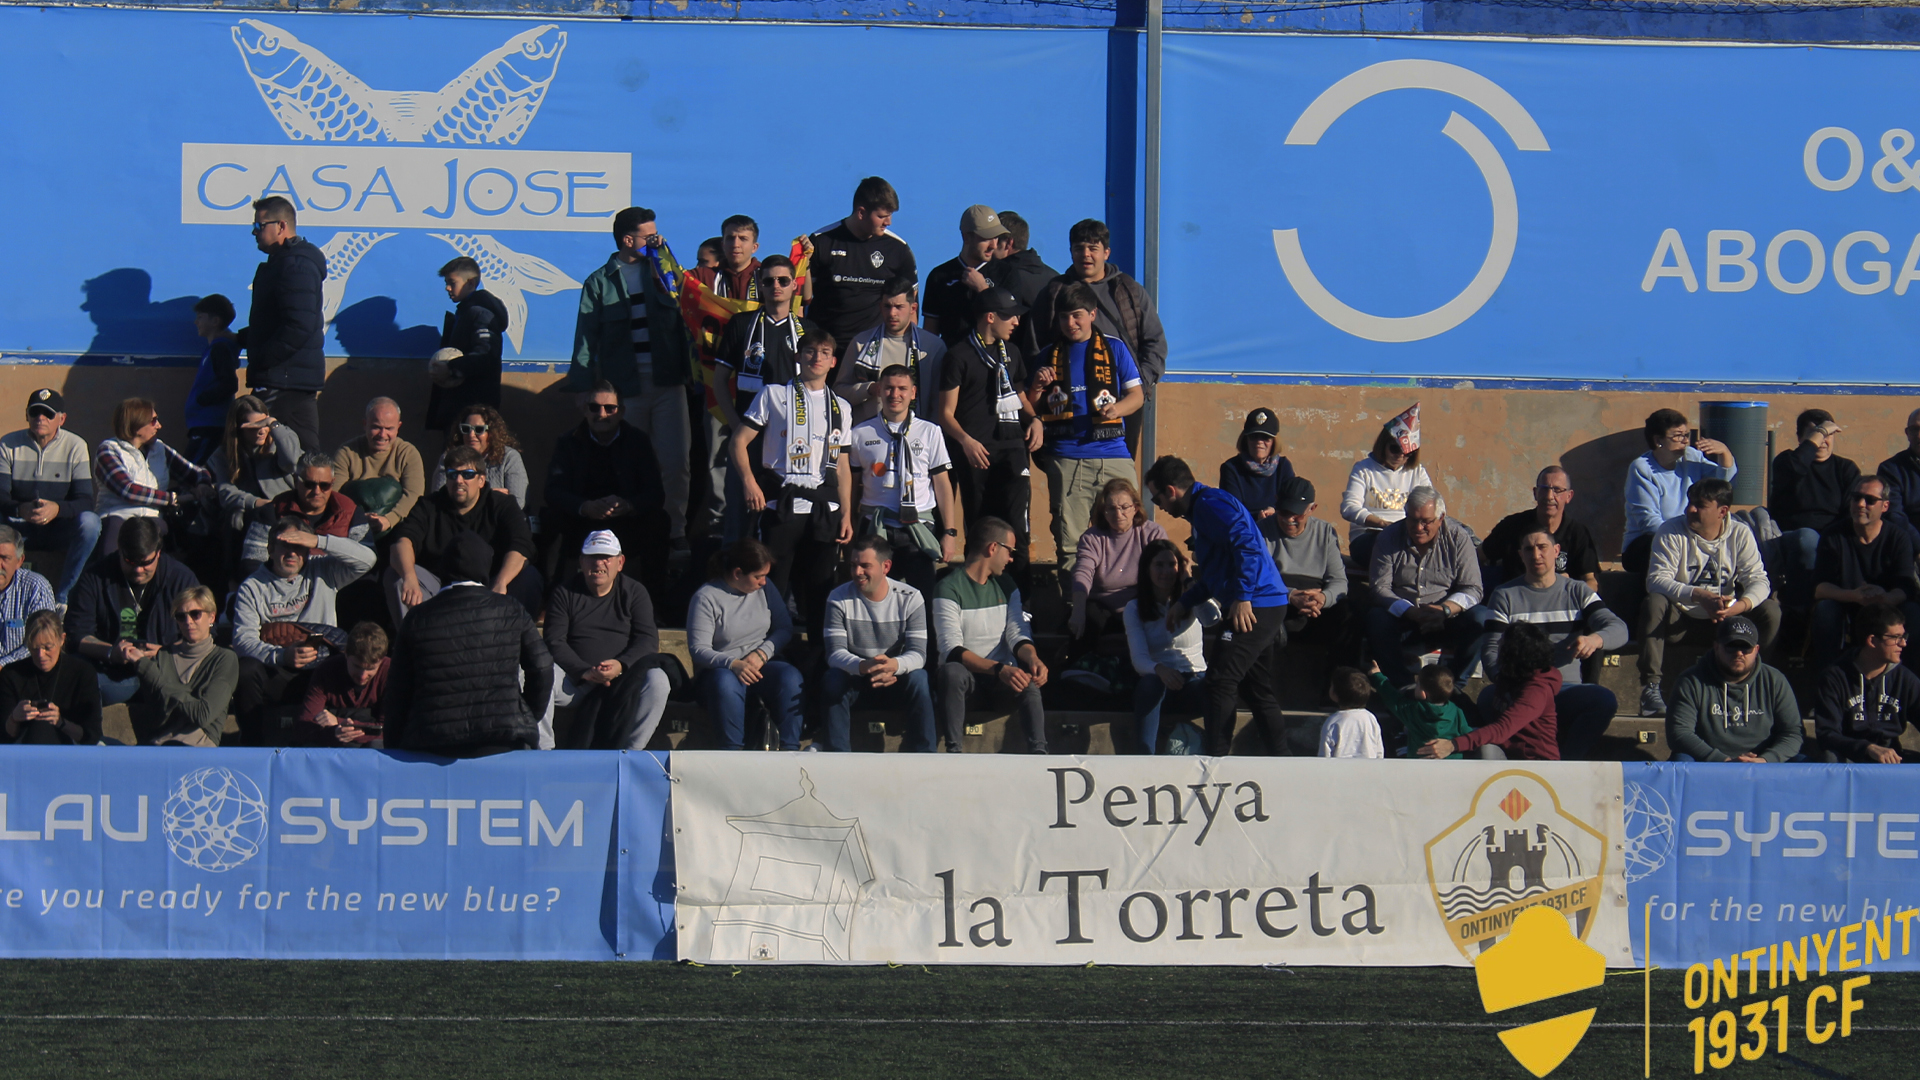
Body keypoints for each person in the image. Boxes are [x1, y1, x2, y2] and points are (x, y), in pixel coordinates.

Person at [568, 206, 697, 559]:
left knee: (675, 461)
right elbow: (585, 337)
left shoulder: (662, 271)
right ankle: (625, 528)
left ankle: (675, 531)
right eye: (648, 236)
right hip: (624, 389)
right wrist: (582, 386)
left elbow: (688, 301)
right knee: (626, 462)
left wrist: (663, 254)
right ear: (628, 240)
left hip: (668, 382)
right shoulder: (599, 282)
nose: (655, 240)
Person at [1145, 456, 1290, 757]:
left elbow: (1249, 545)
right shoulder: (1202, 510)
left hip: (1256, 604)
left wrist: (1244, 597)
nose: (1157, 505)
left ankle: (1217, 762)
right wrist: (1185, 601)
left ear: (1171, 490)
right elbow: (1217, 573)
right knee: (1255, 689)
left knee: (1220, 682)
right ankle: (1282, 760)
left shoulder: (1210, 505)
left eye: (1156, 497)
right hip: (1261, 601)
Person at [731, 331, 853, 649]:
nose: (816, 358)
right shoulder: (773, 394)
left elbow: (842, 465)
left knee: (819, 592)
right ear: (798, 357)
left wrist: (847, 512)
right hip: (781, 503)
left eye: (824, 352)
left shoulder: (841, 407)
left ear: (833, 361)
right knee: (771, 587)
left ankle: (816, 670)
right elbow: (739, 441)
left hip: (824, 509)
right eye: (810, 351)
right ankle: (764, 661)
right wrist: (749, 482)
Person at [383, 531, 553, 757]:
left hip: (430, 744)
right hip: (502, 741)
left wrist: (394, 749)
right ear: (485, 566)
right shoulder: (510, 609)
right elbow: (542, 668)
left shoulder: (417, 618)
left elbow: (398, 691)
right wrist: (525, 715)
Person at [1029, 282, 1145, 577]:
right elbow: (1031, 407)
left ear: (1092, 314)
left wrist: (1116, 409)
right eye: (1065, 317)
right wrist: (1038, 388)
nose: (1071, 323)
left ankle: (1129, 606)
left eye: (1077, 315)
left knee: (1132, 535)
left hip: (1114, 455)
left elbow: (1137, 396)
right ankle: (1075, 610)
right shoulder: (1047, 355)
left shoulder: (1115, 348)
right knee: (1071, 544)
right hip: (1067, 459)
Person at [1482, 527, 1627, 760]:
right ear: (1521, 555)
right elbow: (1490, 649)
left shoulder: (1577, 591)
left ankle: (1567, 764)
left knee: (1603, 700)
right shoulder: (1504, 595)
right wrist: (1506, 680)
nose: (1536, 555)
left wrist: (1595, 639)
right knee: (1488, 697)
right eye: (1529, 549)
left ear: (1556, 551)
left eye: (1542, 548)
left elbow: (1619, 629)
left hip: (1565, 688)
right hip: (1519, 689)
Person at [1639, 478, 1779, 716]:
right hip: (1680, 621)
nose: (1690, 510)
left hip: (1726, 622)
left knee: (1770, 611)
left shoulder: (1740, 534)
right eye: (1690, 503)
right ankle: (1650, 688)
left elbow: (1759, 579)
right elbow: (1656, 580)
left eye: (1700, 505)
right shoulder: (1671, 530)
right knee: (1654, 602)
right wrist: (1698, 595)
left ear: (1722, 511)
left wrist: (1738, 607)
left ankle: (1758, 682)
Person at [1025, 219, 1166, 454]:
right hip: (1066, 405)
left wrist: (1139, 382)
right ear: (1071, 252)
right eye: (1079, 248)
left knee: (1119, 472)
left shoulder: (1129, 290)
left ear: (1106, 252)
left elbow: (1154, 342)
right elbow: (1033, 346)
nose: (1086, 255)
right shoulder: (1053, 292)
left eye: (1093, 248)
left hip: (1121, 401)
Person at [232, 517, 377, 745]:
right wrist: (281, 655)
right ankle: (253, 742)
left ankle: (345, 739)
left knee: (352, 664)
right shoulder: (252, 586)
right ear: (270, 549)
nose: (292, 553)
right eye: (285, 545)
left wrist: (319, 540)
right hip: (278, 668)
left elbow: (368, 560)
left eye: (299, 546)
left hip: (322, 670)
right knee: (246, 670)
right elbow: (242, 640)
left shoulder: (324, 569)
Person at [936, 287, 1042, 581]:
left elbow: (1020, 397)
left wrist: (1035, 420)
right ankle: (979, 596)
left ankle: (1024, 608)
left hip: (1012, 450)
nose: (1016, 322)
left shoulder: (1013, 352)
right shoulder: (958, 355)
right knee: (981, 530)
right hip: (976, 454)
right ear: (990, 317)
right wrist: (966, 441)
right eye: (1010, 316)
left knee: (1017, 528)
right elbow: (945, 414)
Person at [711, 257, 813, 544]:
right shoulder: (741, 324)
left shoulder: (808, 330)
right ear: (759, 285)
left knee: (784, 520)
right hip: (750, 440)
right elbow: (719, 380)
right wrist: (735, 424)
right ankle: (732, 581)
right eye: (768, 281)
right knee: (740, 517)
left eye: (783, 280)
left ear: (795, 285)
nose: (776, 286)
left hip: (793, 441)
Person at [542, 531, 672, 752]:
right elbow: (554, 641)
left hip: (622, 682)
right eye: (592, 557)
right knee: (536, 674)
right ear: (582, 561)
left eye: (606, 557)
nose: (599, 563)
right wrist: (584, 671)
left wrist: (621, 665)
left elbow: (647, 640)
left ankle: (631, 753)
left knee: (658, 680)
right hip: (575, 682)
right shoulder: (564, 593)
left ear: (620, 562)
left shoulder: (635, 592)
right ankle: (543, 751)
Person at [932, 518, 1048, 754]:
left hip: (1000, 681)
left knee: (1028, 683)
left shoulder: (1007, 585)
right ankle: (953, 752)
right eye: (1010, 551)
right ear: (993, 548)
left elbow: (1018, 633)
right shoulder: (948, 588)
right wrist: (999, 669)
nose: (1012, 558)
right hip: (968, 683)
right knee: (951, 672)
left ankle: (1040, 754)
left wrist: (1033, 659)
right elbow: (951, 648)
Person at [845, 364, 961, 598]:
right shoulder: (860, 433)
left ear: (913, 392)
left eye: (902, 389)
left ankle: (924, 636)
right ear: (879, 390)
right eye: (888, 388)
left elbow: (942, 484)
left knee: (923, 597)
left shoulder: (930, 431)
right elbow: (852, 484)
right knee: (876, 596)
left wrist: (949, 532)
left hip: (918, 527)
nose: (894, 395)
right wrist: (849, 520)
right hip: (877, 526)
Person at [391, 445, 540, 622]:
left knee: (530, 577)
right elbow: (402, 540)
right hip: (439, 588)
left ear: (481, 480)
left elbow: (522, 545)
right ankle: (418, 643)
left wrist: (501, 582)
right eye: (452, 474)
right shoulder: (428, 506)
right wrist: (409, 577)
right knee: (398, 575)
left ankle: (512, 643)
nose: (459, 480)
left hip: (491, 585)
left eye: (468, 474)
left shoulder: (502, 504)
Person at [544, 383, 667, 598]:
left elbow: (655, 493)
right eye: (594, 407)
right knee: (549, 519)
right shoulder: (568, 442)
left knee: (659, 520)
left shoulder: (638, 441)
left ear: (621, 411)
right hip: (581, 521)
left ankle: (654, 603)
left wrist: (628, 506)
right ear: (585, 410)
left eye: (610, 408)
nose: (602, 414)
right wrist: (584, 507)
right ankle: (550, 600)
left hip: (624, 521)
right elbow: (553, 491)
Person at [65, 517, 197, 706]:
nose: (138, 570)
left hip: (166, 669)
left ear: (158, 553)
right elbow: (77, 634)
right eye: (129, 561)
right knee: (76, 678)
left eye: (145, 563)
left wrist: (166, 652)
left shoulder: (181, 579)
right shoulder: (95, 577)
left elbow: (203, 635)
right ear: (119, 548)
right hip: (111, 668)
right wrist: (111, 652)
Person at [687, 539, 804, 751]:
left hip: (760, 665)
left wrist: (762, 654)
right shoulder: (706, 597)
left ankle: (790, 749)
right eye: (758, 577)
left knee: (790, 677)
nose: (763, 582)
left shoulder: (766, 591)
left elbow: (784, 628)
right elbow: (699, 649)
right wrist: (733, 663)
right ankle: (733, 750)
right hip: (721, 670)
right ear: (738, 573)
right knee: (725, 683)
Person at [823, 537, 937, 753]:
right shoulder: (838, 598)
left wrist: (893, 665)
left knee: (919, 679)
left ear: (886, 567)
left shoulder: (911, 598)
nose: (857, 572)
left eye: (865, 566)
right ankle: (836, 757)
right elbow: (834, 653)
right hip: (857, 677)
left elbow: (919, 654)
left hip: (894, 677)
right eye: (853, 565)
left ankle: (925, 756)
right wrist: (865, 666)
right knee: (833, 679)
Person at [1365, 487, 1486, 689]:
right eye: (1412, 519)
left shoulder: (1458, 538)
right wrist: (1410, 612)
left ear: (1441, 518)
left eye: (1426, 522)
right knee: (1376, 618)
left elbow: (1473, 588)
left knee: (1481, 618)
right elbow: (1379, 588)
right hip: (1403, 617)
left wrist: (1445, 609)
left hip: (1445, 618)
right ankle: (1402, 687)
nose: (1418, 527)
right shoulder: (1389, 537)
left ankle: (1453, 687)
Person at [235, 196, 326, 453]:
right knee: (304, 451)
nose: (254, 232)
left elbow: (299, 325)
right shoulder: (284, 262)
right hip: (289, 375)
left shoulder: (296, 265)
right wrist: (241, 339)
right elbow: (275, 321)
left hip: (284, 377)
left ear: (281, 226)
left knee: (249, 442)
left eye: (260, 225)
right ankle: (308, 489)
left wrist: (265, 358)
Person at [0, 388, 99, 606]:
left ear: (62, 419)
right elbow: (1, 496)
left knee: (91, 523)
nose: (40, 419)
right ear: (27, 416)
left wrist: (57, 509)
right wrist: (21, 510)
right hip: (19, 528)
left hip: (59, 529)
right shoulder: (7, 445)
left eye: (48, 414)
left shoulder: (76, 446)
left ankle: (63, 599)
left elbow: (85, 501)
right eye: (35, 413)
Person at [1810, 473, 1919, 670]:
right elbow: (1820, 588)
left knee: (1912, 612)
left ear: (1885, 506)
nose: (1860, 504)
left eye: (1869, 500)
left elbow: (1906, 587)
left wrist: (1884, 599)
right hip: (1847, 603)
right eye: (1856, 497)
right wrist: (1854, 596)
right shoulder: (1833, 535)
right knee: (1825, 610)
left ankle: (1909, 682)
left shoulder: (1898, 538)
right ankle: (1829, 678)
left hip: (1887, 607)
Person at [1123, 537, 1218, 755]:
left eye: (1172, 564)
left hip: (1193, 680)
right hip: (1159, 684)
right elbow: (1139, 659)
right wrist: (1160, 669)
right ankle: (1144, 757)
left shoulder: (1190, 599)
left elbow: (1212, 618)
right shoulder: (1134, 608)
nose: (1166, 571)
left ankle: (1216, 757)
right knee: (1149, 685)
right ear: (1147, 569)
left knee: (1215, 689)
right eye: (1159, 565)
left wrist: (1188, 579)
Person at [1665, 615, 1803, 763]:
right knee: (1681, 760)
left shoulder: (1775, 680)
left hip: (1763, 764)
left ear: (1756, 649)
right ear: (1716, 647)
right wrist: (1724, 761)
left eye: (1745, 647)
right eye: (1731, 646)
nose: (1738, 653)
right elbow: (1679, 733)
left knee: (1805, 763)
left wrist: (1766, 760)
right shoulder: (1691, 681)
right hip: (1710, 764)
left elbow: (1793, 732)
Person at [804, 177, 916, 353]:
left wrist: (910, 349)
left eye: (890, 216)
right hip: (825, 351)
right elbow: (801, 301)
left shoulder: (897, 249)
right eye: (881, 216)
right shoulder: (822, 241)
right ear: (861, 212)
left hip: (876, 350)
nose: (888, 223)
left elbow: (910, 304)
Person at [1419, 621, 1560, 761]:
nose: (1498, 644)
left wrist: (1453, 745)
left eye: (1503, 643)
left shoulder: (1536, 692)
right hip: (1508, 749)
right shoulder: (1512, 676)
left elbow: (1501, 729)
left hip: (1534, 764)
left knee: (1486, 749)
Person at [93, 397, 213, 557]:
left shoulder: (160, 449)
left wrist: (202, 484)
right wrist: (172, 498)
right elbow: (128, 490)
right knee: (112, 559)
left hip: (152, 519)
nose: (159, 426)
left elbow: (196, 472)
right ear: (137, 425)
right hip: (116, 517)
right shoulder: (109, 450)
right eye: (153, 421)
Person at [1622, 408, 1737, 573]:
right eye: (1678, 436)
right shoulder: (1642, 468)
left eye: (1686, 435)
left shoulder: (1691, 457)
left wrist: (1724, 453)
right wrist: (1686, 541)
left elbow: (1720, 486)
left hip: (1693, 538)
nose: (1685, 441)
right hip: (1650, 542)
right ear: (1658, 440)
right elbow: (1648, 521)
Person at [1066, 477, 1166, 655]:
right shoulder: (1092, 538)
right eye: (1111, 508)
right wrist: (1078, 610)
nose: (1118, 514)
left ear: (1135, 508)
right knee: (1088, 618)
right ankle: (1077, 672)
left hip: (1141, 604)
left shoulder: (1152, 533)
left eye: (1124, 507)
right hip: (1104, 608)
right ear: (1103, 512)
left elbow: (1164, 569)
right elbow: (1083, 573)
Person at [128, 585, 237, 748]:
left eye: (195, 614)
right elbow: (159, 715)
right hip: (157, 744)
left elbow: (202, 714)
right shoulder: (164, 656)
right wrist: (188, 698)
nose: (188, 622)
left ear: (212, 617)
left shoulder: (224, 658)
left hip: (198, 748)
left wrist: (148, 671)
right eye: (181, 616)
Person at [1768, 409, 1859, 601]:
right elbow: (1796, 468)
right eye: (1817, 435)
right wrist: (1819, 435)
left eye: (1828, 435)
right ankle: (1801, 608)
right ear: (1801, 438)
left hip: (1833, 536)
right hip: (1792, 537)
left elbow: (1850, 512)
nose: (1823, 441)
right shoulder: (1786, 462)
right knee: (1808, 538)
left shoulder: (1846, 469)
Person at [1814, 603, 1920, 764]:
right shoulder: (1834, 677)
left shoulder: (1905, 679)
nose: (1903, 644)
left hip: (1893, 759)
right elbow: (1826, 734)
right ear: (1872, 640)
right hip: (1850, 760)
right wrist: (1867, 748)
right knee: (1830, 758)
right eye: (1896, 638)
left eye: (1903, 637)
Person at [838, 276, 946, 423]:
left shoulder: (932, 347)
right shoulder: (861, 343)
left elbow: (940, 401)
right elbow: (838, 393)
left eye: (899, 307)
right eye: (887, 306)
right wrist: (868, 389)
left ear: (912, 308)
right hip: (869, 434)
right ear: (880, 307)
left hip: (917, 436)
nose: (892, 313)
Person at [238, 452, 368, 570]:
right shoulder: (272, 511)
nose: (317, 491)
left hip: (335, 587)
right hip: (281, 588)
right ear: (296, 480)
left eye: (324, 485)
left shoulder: (351, 512)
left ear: (332, 483)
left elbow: (366, 560)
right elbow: (252, 561)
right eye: (309, 484)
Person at [1480, 465, 1602, 591]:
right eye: (1544, 489)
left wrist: (1569, 588)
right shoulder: (1512, 526)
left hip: (1561, 605)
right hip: (1515, 604)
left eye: (1557, 490)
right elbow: (1479, 556)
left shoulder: (1578, 533)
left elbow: (1592, 582)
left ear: (1569, 496)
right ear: (1535, 493)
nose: (1549, 496)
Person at [1340, 404, 1431, 568]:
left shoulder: (1417, 472)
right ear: (1384, 444)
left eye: (1407, 454)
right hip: (1369, 535)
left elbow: (1432, 504)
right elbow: (1349, 507)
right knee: (1391, 546)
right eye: (1395, 449)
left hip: (1407, 534)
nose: (1400, 457)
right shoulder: (1364, 469)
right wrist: (1383, 524)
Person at [425, 256, 508, 433]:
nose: (447, 288)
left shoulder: (481, 315)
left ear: (470, 283)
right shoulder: (464, 313)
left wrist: (451, 368)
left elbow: (486, 356)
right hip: (460, 406)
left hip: (475, 409)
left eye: (452, 283)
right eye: (446, 283)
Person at [1271, 477, 1352, 650]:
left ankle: (1340, 675)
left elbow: (1338, 581)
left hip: (1315, 602)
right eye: (1284, 512)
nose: (1289, 519)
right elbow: (1255, 580)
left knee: (1348, 616)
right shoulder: (1261, 531)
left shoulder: (1325, 532)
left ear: (1312, 509)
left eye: (1297, 514)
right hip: (1279, 599)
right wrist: (1291, 596)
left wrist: (1323, 598)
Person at [0, 610, 100, 745]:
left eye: (48, 647)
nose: (41, 655)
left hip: (68, 747)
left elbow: (90, 735)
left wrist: (60, 722)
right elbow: (5, 736)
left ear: (61, 640)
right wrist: (14, 718)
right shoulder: (12, 674)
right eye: (35, 648)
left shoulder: (82, 672)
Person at [331, 397, 425, 537]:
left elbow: (414, 495)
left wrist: (389, 520)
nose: (382, 435)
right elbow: (333, 493)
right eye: (376, 427)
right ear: (365, 424)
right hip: (351, 524)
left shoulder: (408, 453)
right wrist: (357, 518)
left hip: (395, 527)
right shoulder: (347, 452)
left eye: (389, 429)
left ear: (398, 427)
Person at [209, 395, 302, 535]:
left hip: (284, 508)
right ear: (239, 427)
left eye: (264, 424)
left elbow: (292, 462)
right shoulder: (223, 453)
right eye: (254, 426)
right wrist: (257, 503)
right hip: (250, 510)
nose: (262, 430)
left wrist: (274, 424)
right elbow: (225, 491)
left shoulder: (281, 440)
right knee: (234, 520)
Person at [293, 621, 389, 749]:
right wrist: (334, 733)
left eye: (371, 669)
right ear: (346, 655)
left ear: (381, 661)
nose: (362, 676)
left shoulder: (390, 672)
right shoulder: (326, 670)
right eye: (357, 666)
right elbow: (304, 726)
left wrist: (341, 723)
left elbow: (391, 730)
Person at [923, 205, 1010, 345]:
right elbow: (930, 332)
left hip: (992, 361)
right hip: (950, 360)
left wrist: (983, 289)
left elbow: (1009, 322)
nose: (993, 245)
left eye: (996, 237)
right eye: (986, 238)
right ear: (966, 237)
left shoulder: (1007, 273)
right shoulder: (938, 276)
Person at [1217, 408, 1296, 546]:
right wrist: (1258, 518)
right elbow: (1233, 510)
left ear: (1274, 441)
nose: (1259, 442)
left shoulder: (1284, 466)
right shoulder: (1231, 468)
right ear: (1245, 439)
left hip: (1280, 535)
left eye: (1265, 437)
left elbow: (1292, 502)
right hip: (1246, 535)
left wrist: (1276, 513)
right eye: (1254, 436)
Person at [1368, 662, 1473, 759]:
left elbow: (1392, 697)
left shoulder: (1413, 710)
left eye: (1417, 684)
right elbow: (1468, 734)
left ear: (1423, 693)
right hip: (1451, 764)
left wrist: (1376, 675)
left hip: (1419, 763)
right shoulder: (1456, 711)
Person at [431, 405, 528, 508]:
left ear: (491, 433)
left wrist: (465, 496)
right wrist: (490, 495)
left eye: (479, 429)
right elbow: (438, 499)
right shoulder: (449, 458)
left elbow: (518, 503)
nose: (471, 434)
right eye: (466, 429)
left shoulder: (509, 458)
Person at [184, 294, 241, 464]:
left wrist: (202, 399)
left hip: (210, 425)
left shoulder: (220, 349)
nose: (196, 322)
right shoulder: (213, 349)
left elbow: (229, 384)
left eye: (200, 317)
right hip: (202, 423)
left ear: (215, 321)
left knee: (193, 470)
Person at [0, 525, 54, 667]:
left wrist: (3, 664)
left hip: (22, 674)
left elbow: (42, 642)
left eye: (4, 558)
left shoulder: (35, 587)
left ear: (19, 561)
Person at [983, 210, 1057, 308]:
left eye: (994, 240)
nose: (990, 246)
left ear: (1008, 243)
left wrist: (982, 289)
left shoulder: (1003, 278)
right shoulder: (1055, 279)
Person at [687, 214, 761, 302]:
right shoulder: (704, 276)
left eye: (743, 239)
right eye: (730, 238)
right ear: (723, 245)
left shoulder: (766, 277)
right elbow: (671, 279)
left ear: (754, 247)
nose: (735, 244)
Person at [1875, 407, 1920, 547]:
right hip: (1908, 545)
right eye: (1914, 429)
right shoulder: (1890, 469)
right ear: (1907, 433)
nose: (1919, 435)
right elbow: (1894, 514)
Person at [1318, 667, 1383, 759]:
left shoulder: (1333, 721)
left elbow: (1324, 755)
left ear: (1335, 694)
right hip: (1368, 771)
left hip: (1340, 772)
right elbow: (1379, 749)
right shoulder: (1370, 718)